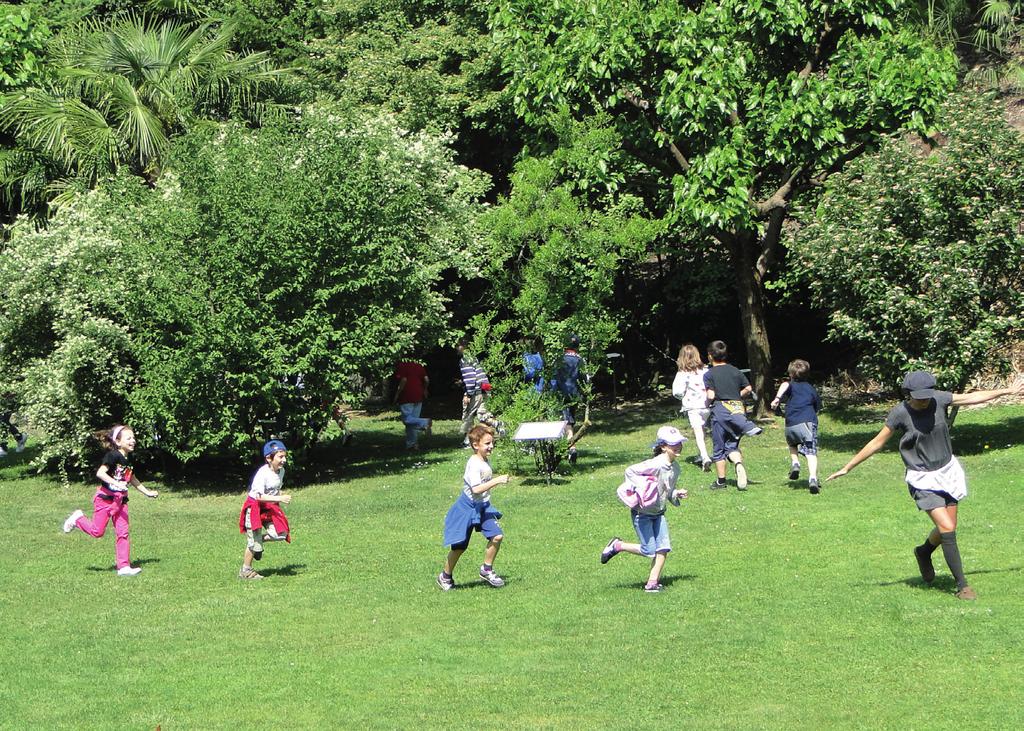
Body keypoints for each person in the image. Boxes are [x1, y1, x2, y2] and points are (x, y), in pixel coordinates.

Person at [827, 371, 1023, 600]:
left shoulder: (938, 399)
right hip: (922, 479)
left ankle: (923, 552)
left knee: (946, 529)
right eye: (918, 397)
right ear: (908, 394)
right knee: (947, 528)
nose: (923, 400)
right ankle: (962, 586)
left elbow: (970, 398)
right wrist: (847, 467)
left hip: (948, 471)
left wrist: (1007, 391)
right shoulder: (900, 413)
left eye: (927, 395)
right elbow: (876, 443)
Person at [600, 426, 689, 593]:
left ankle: (652, 583)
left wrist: (677, 493)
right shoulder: (655, 464)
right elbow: (630, 471)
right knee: (649, 550)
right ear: (663, 446)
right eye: (673, 444)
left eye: (679, 443)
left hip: (659, 513)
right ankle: (617, 546)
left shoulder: (675, 468)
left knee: (663, 548)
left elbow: (668, 491)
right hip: (643, 514)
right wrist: (643, 488)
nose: (678, 447)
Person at [62, 425, 158, 576]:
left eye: (133, 438)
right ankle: (78, 518)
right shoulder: (113, 456)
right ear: (118, 442)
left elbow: (132, 478)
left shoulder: (128, 460)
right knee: (97, 532)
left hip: (121, 501)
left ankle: (124, 567)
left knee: (123, 533)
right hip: (105, 499)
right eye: (129, 438)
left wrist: (147, 492)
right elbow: (100, 473)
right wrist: (115, 483)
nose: (133, 441)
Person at [438, 425, 510, 590]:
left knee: (497, 536)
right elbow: (476, 489)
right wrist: (497, 480)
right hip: (466, 509)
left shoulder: (484, 459)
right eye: (487, 443)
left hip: (483, 507)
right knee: (459, 547)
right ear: (476, 445)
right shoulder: (473, 463)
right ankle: (445, 576)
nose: (491, 446)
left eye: (492, 443)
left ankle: (486, 569)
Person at [704, 340, 762, 491]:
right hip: (737, 410)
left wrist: (706, 403)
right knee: (732, 444)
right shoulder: (736, 371)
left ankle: (721, 481)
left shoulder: (709, 374)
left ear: (710, 356)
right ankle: (738, 464)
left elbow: (711, 395)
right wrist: (737, 396)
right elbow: (748, 388)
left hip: (720, 411)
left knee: (719, 448)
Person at [238, 439, 293, 580]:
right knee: (254, 544)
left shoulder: (281, 472)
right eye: (280, 457)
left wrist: (278, 498)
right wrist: (280, 499)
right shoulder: (262, 474)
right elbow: (258, 496)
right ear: (269, 458)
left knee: (281, 533)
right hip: (255, 507)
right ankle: (246, 571)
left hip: (269, 507)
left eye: (285, 456)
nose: (284, 460)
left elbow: (275, 490)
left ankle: (259, 541)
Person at [770, 359, 823, 493]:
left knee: (792, 444)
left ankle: (795, 463)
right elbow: (817, 407)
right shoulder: (811, 389)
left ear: (791, 374)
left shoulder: (790, 385)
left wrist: (777, 398)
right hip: (807, 422)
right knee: (811, 452)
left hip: (791, 423)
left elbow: (784, 385)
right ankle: (812, 478)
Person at [672, 343, 712, 471]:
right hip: (707, 406)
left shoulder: (682, 374)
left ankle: (705, 456)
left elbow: (677, 392)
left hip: (693, 407)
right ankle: (703, 454)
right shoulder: (706, 370)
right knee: (704, 429)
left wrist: (682, 396)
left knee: (698, 432)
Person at [456, 341, 502, 446]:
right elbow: (478, 376)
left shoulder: (465, 360)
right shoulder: (473, 358)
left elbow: (471, 379)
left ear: (463, 347)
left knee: (468, 415)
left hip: (476, 391)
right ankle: (498, 425)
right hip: (485, 388)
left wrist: (468, 394)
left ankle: (467, 442)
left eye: (457, 346)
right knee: (483, 415)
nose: (456, 348)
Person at [552, 335, 586, 463]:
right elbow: (584, 378)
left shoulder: (559, 359)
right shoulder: (580, 360)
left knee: (565, 421)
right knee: (569, 420)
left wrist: (553, 392)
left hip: (561, 393)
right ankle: (568, 447)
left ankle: (571, 448)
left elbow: (553, 377)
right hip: (574, 394)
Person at [392, 359, 431, 450]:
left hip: (406, 395)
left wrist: (397, 394)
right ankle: (412, 445)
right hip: (418, 394)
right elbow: (426, 379)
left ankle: (425, 422)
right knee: (413, 421)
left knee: (407, 419)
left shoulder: (402, 365)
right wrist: (425, 389)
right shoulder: (419, 364)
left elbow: (404, 380)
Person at [0, 391, 28, 457]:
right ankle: (20, 438)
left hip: (7, 398)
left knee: (2, 421)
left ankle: (3, 447)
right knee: (3, 421)